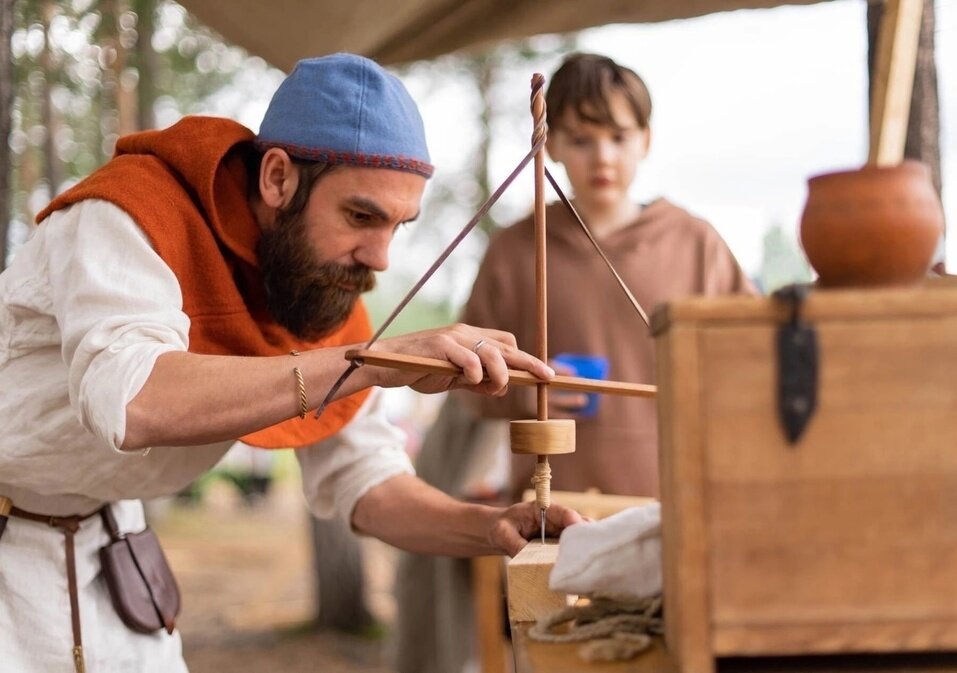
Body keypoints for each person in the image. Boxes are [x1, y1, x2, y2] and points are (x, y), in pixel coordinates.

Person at [0, 53, 582, 673]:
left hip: (110, 546)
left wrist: (489, 528)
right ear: (277, 178)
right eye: (361, 216)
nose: (380, 257)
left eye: (398, 226)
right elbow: (133, 398)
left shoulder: (314, 289)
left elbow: (366, 480)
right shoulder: (126, 216)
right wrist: (369, 365)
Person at [395, 52, 756, 673]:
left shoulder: (695, 244)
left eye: (618, 136)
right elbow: (459, 381)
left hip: (667, 512)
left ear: (646, 139)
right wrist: (522, 394)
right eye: (582, 139)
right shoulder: (516, 251)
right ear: (552, 144)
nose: (602, 157)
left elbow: (747, 366)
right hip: (554, 527)